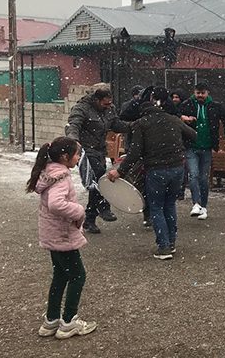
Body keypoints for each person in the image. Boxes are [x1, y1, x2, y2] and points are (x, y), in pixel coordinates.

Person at [108, 88, 196, 260]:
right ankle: (171, 242)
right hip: (177, 169)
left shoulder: (141, 124)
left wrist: (120, 171)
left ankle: (164, 247)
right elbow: (193, 135)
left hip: (156, 170)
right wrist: (175, 144)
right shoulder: (172, 119)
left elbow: (134, 153)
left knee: (156, 207)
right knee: (169, 205)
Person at [30, 137, 97, 339]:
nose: (78, 158)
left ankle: (51, 320)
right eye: (77, 154)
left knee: (60, 275)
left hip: (52, 233)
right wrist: (79, 211)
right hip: (62, 234)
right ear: (65, 157)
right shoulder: (61, 176)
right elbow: (56, 204)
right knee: (78, 275)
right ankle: (69, 321)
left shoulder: (49, 172)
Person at [65, 83, 129, 234]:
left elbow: (116, 124)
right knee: (100, 177)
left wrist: (134, 126)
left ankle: (89, 219)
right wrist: (74, 140)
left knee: (96, 184)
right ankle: (103, 206)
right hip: (86, 151)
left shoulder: (110, 108)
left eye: (110, 103)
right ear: (96, 100)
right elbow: (73, 125)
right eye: (105, 104)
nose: (108, 106)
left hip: (100, 150)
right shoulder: (82, 108)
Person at [179, 81, 225, 220]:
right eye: (198, 93)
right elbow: (175, 114)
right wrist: (182, 118)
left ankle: (203, 206)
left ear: (208, 93)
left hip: (207, 147)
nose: (200, 95)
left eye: (203, 93)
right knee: (193, 175)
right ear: (194, 92)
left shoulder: (215, 106)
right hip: (191, 146)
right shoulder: (187, 105)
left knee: (203, 178)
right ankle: (196, 203)